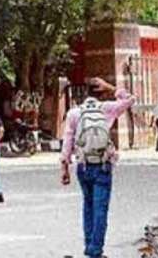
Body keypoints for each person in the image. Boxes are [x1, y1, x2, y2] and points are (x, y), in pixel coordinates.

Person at [60, 77, 135, 258]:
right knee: (100, 209)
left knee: (88, 205)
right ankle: (95, 251)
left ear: (85, 93)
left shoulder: (74, 113)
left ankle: (89, 245)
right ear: (101, 93)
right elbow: (131, 99)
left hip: (83, 166)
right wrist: (111, 87)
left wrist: (64, 168)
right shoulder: (108, 109)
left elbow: (68, 142)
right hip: (102, 165)